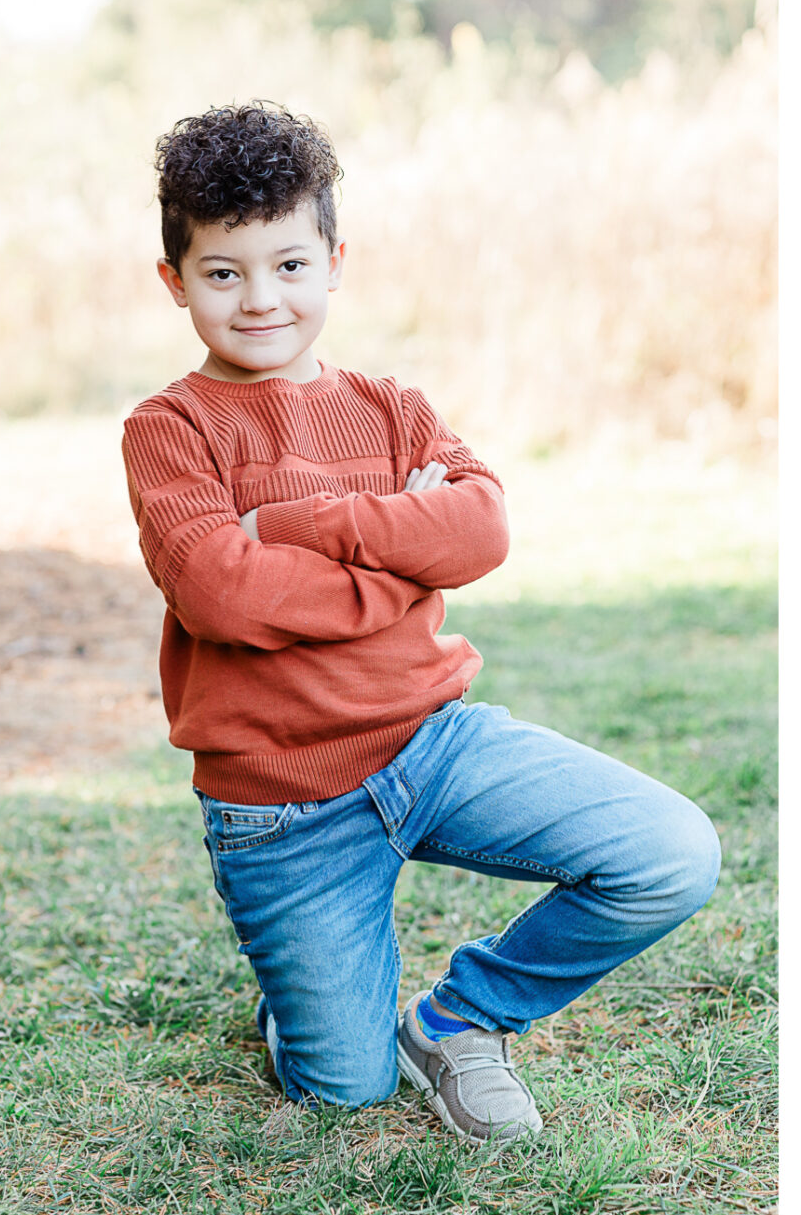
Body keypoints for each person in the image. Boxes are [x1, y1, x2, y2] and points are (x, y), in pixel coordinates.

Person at [121, 101, 718, 1144]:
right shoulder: (170, 429)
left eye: (290, 265)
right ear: (176, 281)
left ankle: (459, 1020)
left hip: (433, 744)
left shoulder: (394, 409)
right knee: (344, 1089)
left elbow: (479, 528)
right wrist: (400, 563)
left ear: (336, 261)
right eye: (225, 272)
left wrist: (298, 524)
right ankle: (311, 1000)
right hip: (285, 811)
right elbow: (219, 593)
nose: (262, 299)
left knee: (671, 851)